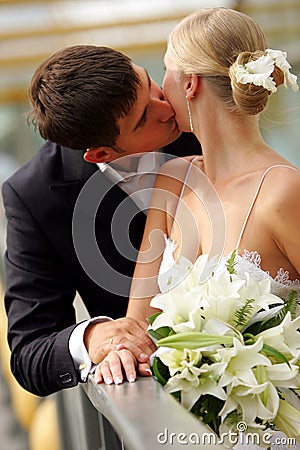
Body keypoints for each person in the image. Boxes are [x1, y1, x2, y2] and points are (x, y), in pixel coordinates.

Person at [96, 7, 300, 386]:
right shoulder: (172, 182)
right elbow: (138, 322)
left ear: (189, 82)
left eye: (165, 69)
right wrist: (119, 350)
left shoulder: (284, 191)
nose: (160, 86)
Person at [2, 45, 201, 396]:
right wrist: (95, 336)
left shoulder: (196, 108)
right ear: (101, 155)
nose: (167, 107)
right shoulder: (34, 197)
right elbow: (29, 352)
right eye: (144, 118)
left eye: (150, 83)